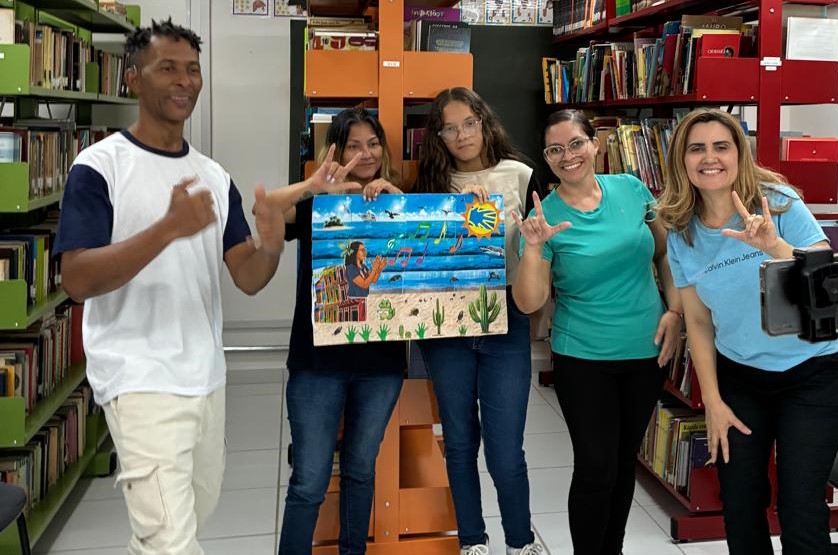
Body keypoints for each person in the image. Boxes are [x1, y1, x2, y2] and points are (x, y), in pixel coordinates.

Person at [53, 19, 288, 555]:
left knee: (184, 521)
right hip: (138, 378)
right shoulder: (99, 167)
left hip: (205, 376)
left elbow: (247, 276)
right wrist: (167, 229)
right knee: (171, 542)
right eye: (168, 69)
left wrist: (272, 247)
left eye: (193, 70)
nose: (185, 81)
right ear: (133, 77)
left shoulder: (214, 176)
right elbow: (78, 279)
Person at [657, 108, 838, 555]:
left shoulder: (777, 202)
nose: (710, 158)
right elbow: (698, 322)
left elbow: (828, 280)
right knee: (740, 503)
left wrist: (775, 246)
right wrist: (713, 403)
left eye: (721, 147)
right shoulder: (681, 229)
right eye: (697, 148)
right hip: (741, 378)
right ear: (682, 160)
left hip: (813, 373)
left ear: (739, 154)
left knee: (800, 507)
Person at [511, 108, 681, 555]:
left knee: (623, 463)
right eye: (555, 149)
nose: (568, 155)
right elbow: (529, 302)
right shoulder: (543, 217)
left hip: (647, 351)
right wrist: (533, 249)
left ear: (595, 144)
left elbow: (665, 253)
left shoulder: (632, 188)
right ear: (546, 158)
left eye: (576, 143)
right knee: (595, 466)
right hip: (583, 358)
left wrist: (675, 310)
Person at [411, 87, 545, 555]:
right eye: (449, 128)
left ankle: (520, 542)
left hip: (505, 317)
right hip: (447, 322)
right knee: (460, 441)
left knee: (506, 449)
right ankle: (472, 540)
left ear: (485, 122)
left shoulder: (522, 174)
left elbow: (540, 248)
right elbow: (417, 252)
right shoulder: (431, 185)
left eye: (469, 122)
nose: (462, 135)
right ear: (438, 137)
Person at [268, 107, 406, 555]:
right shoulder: (317, 205)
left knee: (361, 471)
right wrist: (313, 187)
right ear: (337, 152)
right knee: (309, 480)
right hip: (317, 363)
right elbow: (263, 209)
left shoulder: (401, 204)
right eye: (353, 145)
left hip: (381, 364)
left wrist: (399, 204)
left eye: (373, 144)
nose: (366, 154)